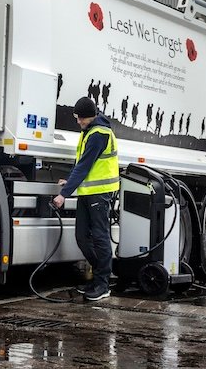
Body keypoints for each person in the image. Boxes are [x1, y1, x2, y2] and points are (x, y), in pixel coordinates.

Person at [53, 96, 120, 301]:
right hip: (87, 192)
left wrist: (64, 194)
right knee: (82, 237)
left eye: (80, 118)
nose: (78, 122)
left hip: (99, 193)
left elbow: (85, 166)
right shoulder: (89, 131)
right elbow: (81, 163)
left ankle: (102, 283)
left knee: (100, 236)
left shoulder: (99, 134)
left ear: (90, 117)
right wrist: (70, 181)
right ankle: (100, 276)